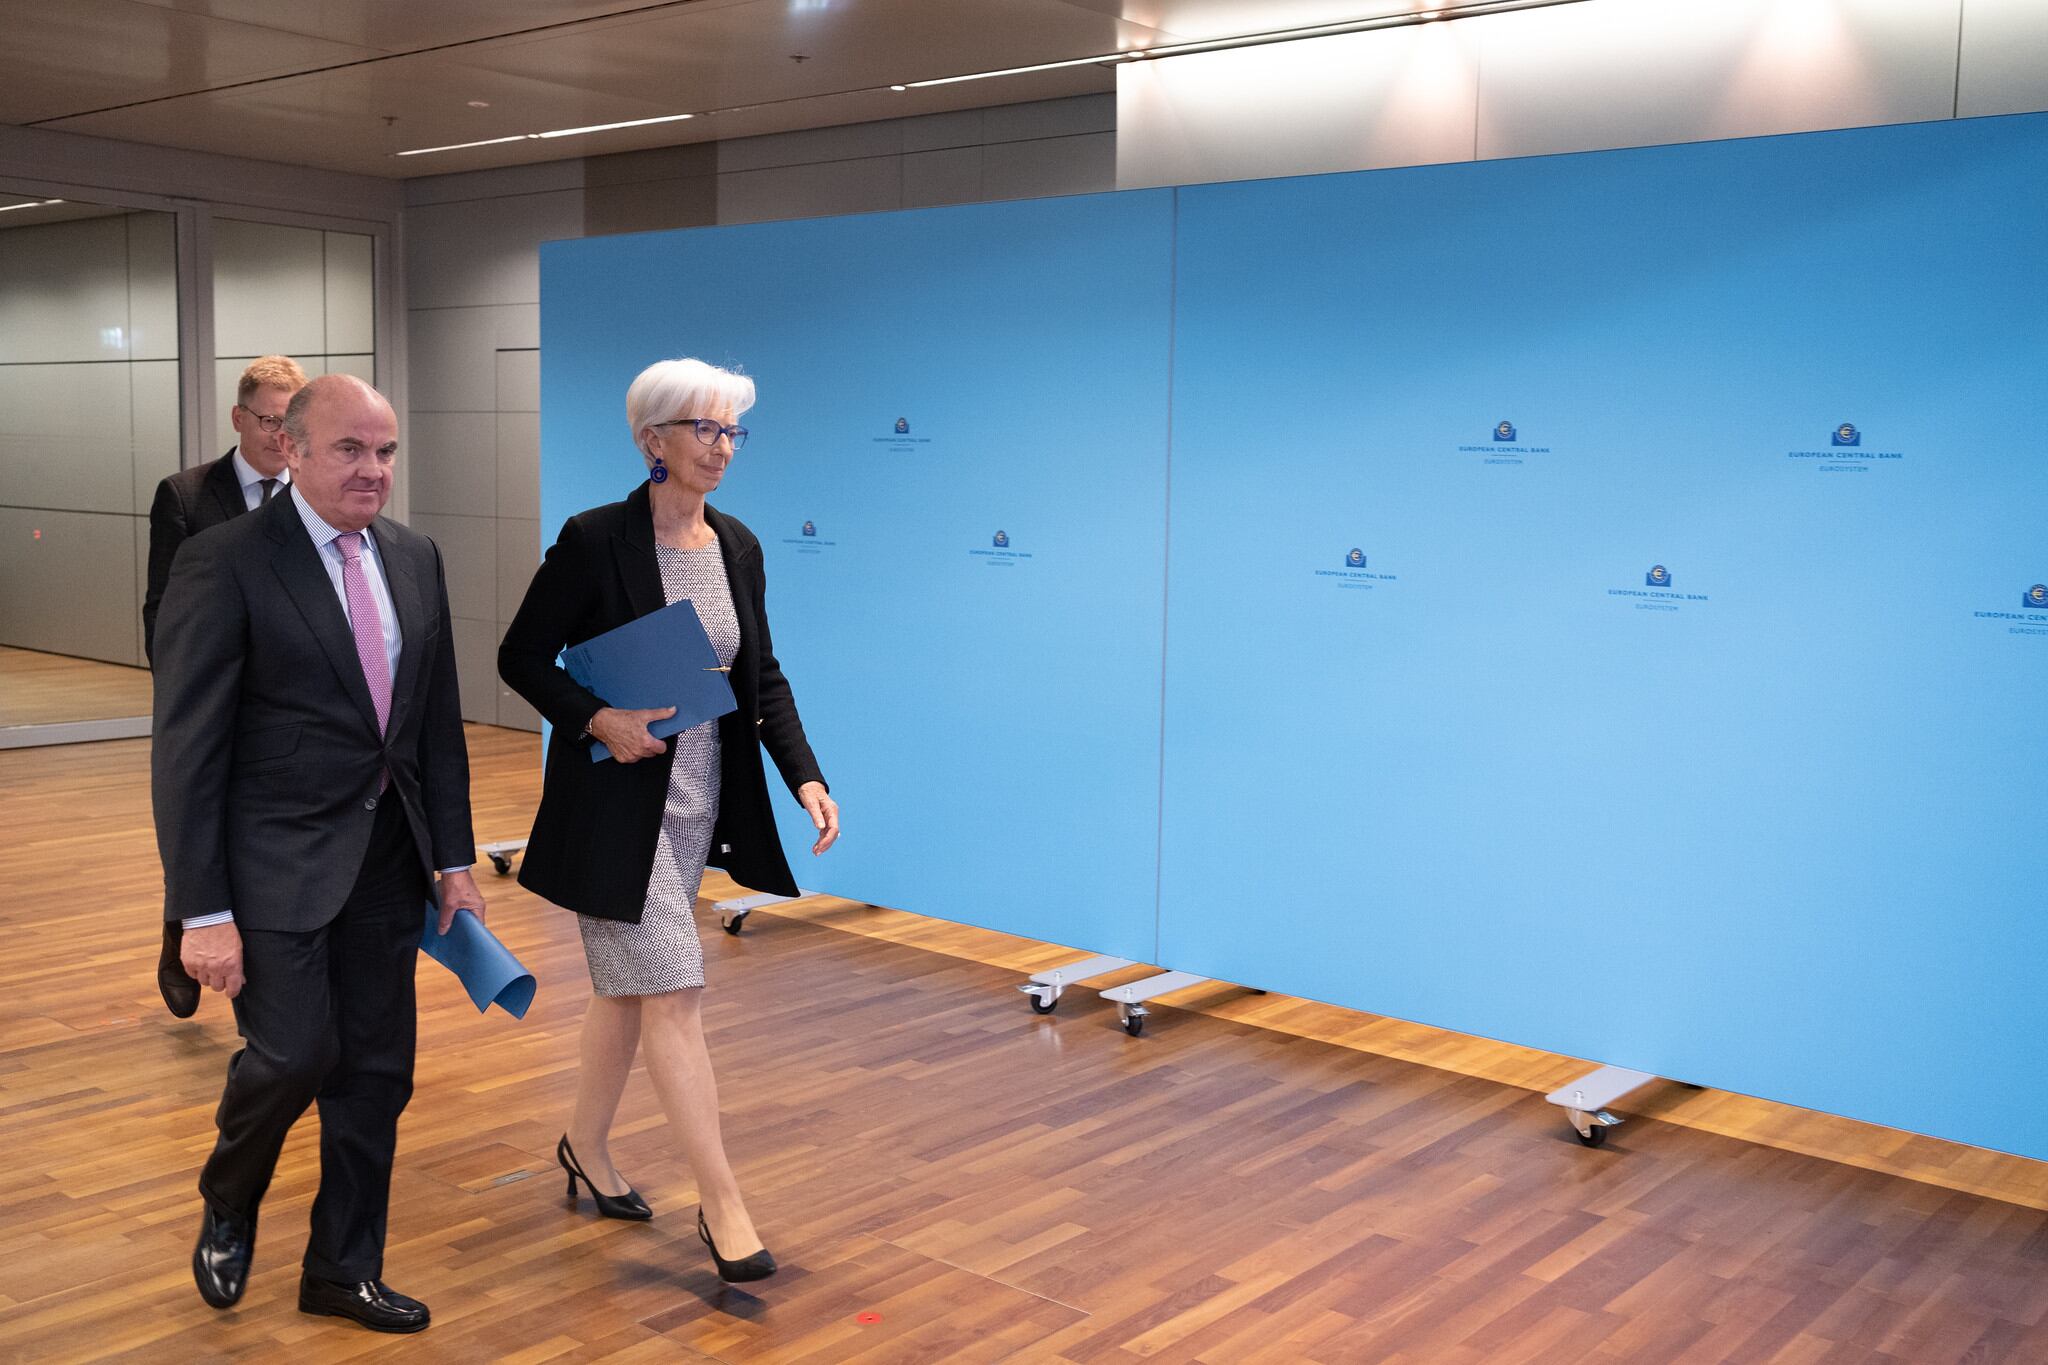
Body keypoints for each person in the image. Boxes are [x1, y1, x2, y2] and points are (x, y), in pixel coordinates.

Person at [152, 374, 483, 1333]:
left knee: (377, 1072)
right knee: (295, 1053)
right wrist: (201, 910)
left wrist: (453, 860)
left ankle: (342, 1267)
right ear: (290, 450)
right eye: (349, 449)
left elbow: (433, 731)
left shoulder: (416, 558)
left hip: (386, 858)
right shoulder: (226, 561)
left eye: (384, 451)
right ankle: (230, 1185)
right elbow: (187, 751)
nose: (372, 469)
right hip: (272, 863)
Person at [498, 357, 839, 1284]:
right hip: (613, 809)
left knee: (627, 994)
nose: (723, 447)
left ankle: (584, 1146)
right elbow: (521, 655)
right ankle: (722, 1206)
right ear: (653, 440)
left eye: (733, 431)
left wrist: (803, 774)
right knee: (676, 991)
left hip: (697, 805)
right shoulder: (593, 538)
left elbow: (758, 675)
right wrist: (594, 717)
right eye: (705, 429)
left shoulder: (738, 546)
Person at [145, 354, 308, 1019]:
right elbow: (162, 610)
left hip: (289, 703)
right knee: (201, 823)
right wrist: (190, 694)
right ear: (240, 418)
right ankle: (182, 925)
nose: (279, 434)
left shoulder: (315, 490)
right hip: (214, 698)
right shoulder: (186, 495)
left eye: (291, 421)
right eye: (269, 420)